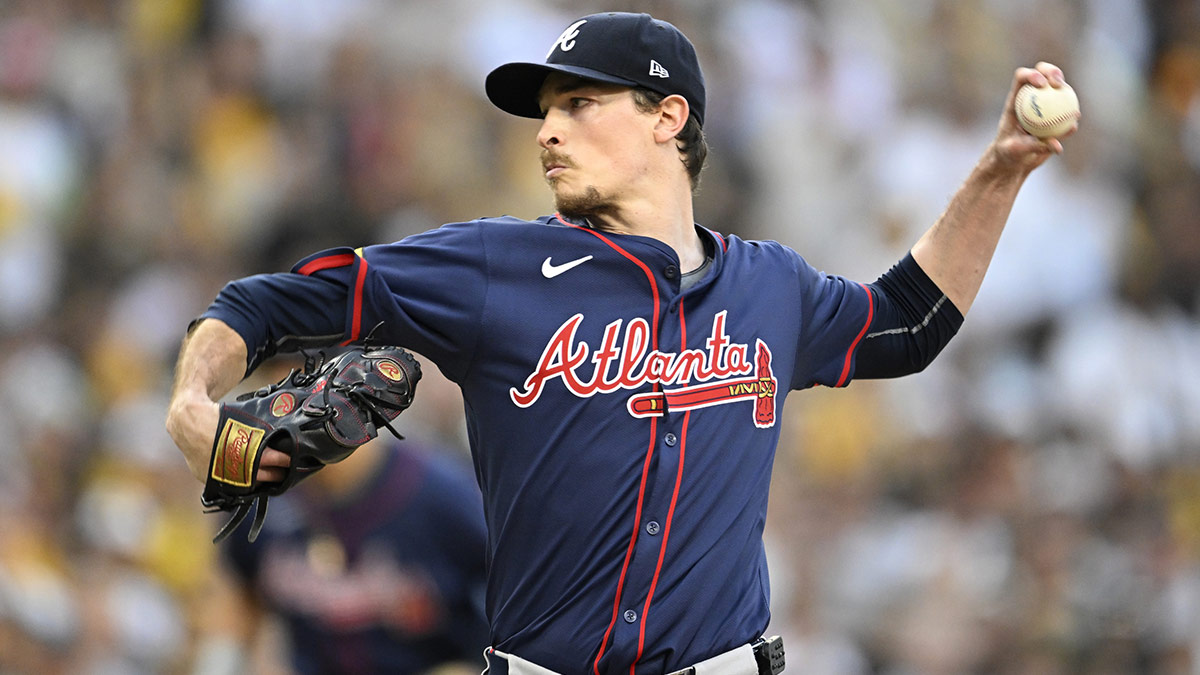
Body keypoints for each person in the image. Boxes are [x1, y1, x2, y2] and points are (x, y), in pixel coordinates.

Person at [166, 11, 1076, 675]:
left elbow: (908, 323)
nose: (549, 129)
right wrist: (194, 402)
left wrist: (1000, 170)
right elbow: (265, 301)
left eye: (579, 102)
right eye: (545, 110)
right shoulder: (496, 265)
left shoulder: (771, 286)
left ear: (667, 118)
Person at [198, 432, 489, 675]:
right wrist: (222, 662)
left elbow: (514, 609)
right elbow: (237, 589)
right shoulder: (258, 495)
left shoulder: (444, 495)